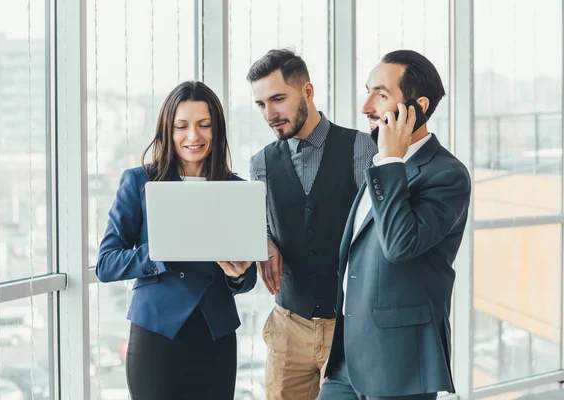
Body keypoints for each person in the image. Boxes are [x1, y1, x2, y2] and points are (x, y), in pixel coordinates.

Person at [319, 50, 472, 400]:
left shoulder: (446, 175)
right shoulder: (379, 168)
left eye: (381, 95)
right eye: (368, 91)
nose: (366, 107)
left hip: (399, 365)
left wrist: (390, 159)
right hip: (347, 363)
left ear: (416, 106)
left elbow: (400, 246)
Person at [95, 81, 257, 400]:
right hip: (156, 336)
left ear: (217, 130)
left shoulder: (237, 189)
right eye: (181, 126)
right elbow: (106, 264)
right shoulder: (139, 181)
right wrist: (161, 253)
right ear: (167, 131)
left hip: (216, 337)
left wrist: (238, 274)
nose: (193, 136)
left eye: (204, 125)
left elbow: (248, 277)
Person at [248, 48, 377, 400]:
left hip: (348, 328)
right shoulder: (259, 164)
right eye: (261, 104)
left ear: (307, 91)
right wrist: (264, 240)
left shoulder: (362, 149)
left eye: (277, 99)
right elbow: (259, 227)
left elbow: (381, 231)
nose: (270, 114)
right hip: (288, 329)